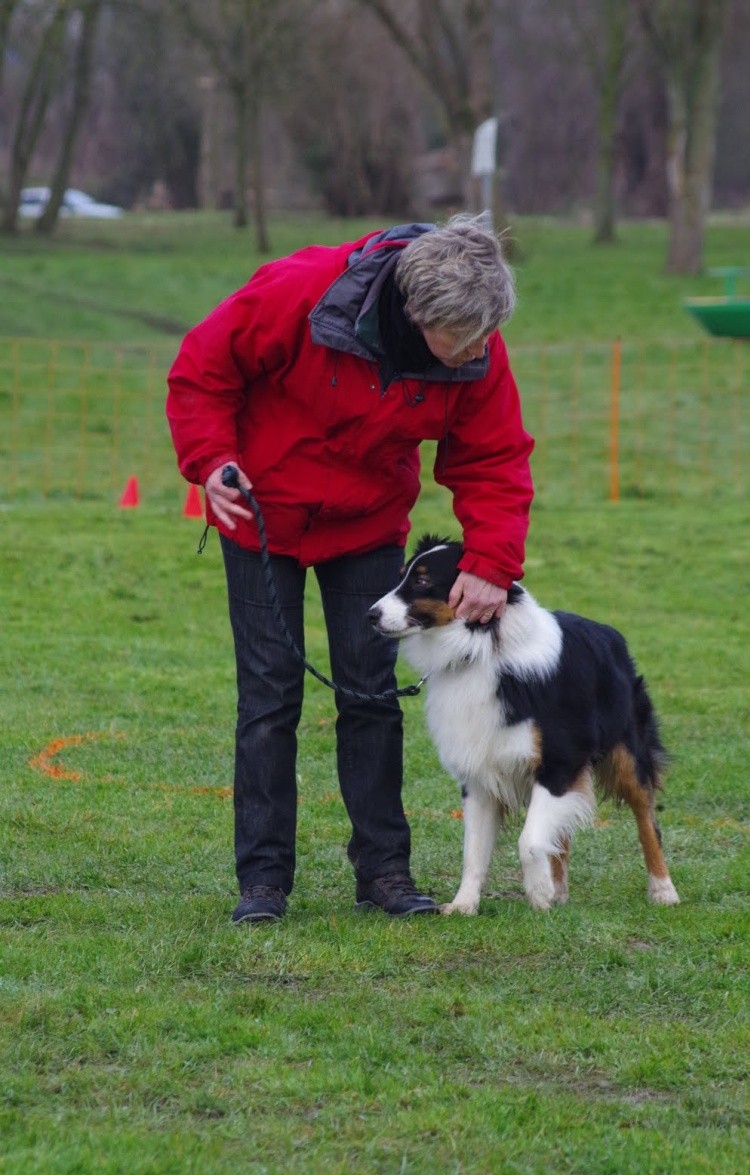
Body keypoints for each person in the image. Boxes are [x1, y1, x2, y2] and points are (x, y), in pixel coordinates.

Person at [166, 214, 534, 924]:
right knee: (269, 696)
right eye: (463, 342)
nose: (477, 353)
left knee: (369, 694)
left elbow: (493, 459)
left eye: (487, 338)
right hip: (261, 515)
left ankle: (384, 873)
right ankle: (264, 882)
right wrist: (210, 463)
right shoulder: (300, 292)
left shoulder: (476, 348)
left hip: (367, 526)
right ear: (417, 311)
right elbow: (201, 372)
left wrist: (491, 562)